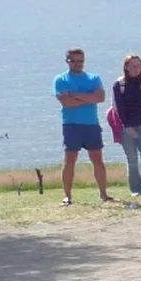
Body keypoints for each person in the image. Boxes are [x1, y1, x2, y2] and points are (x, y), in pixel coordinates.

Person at [53, 47, 111, 206]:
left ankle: (103, 194)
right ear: (67, 61)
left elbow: (100, 98)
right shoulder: (60, 79)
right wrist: (88, 97)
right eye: (74, 61)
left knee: (97, 159)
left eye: (80, 61)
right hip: (71, 125)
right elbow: (66, 102)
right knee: (69, 160)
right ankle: (67, 196)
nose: (77, 64)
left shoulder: (93, 78)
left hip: (91, 124)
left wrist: (75, 95)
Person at [110, 54, 141, 196]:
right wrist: (127, 126)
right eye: (132, 66)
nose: (136, 68)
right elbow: (119, 107)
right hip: (126, 127)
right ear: (126, 67)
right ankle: (136, 189)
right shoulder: (119, 85)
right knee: (132, 159)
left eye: (138, 66)